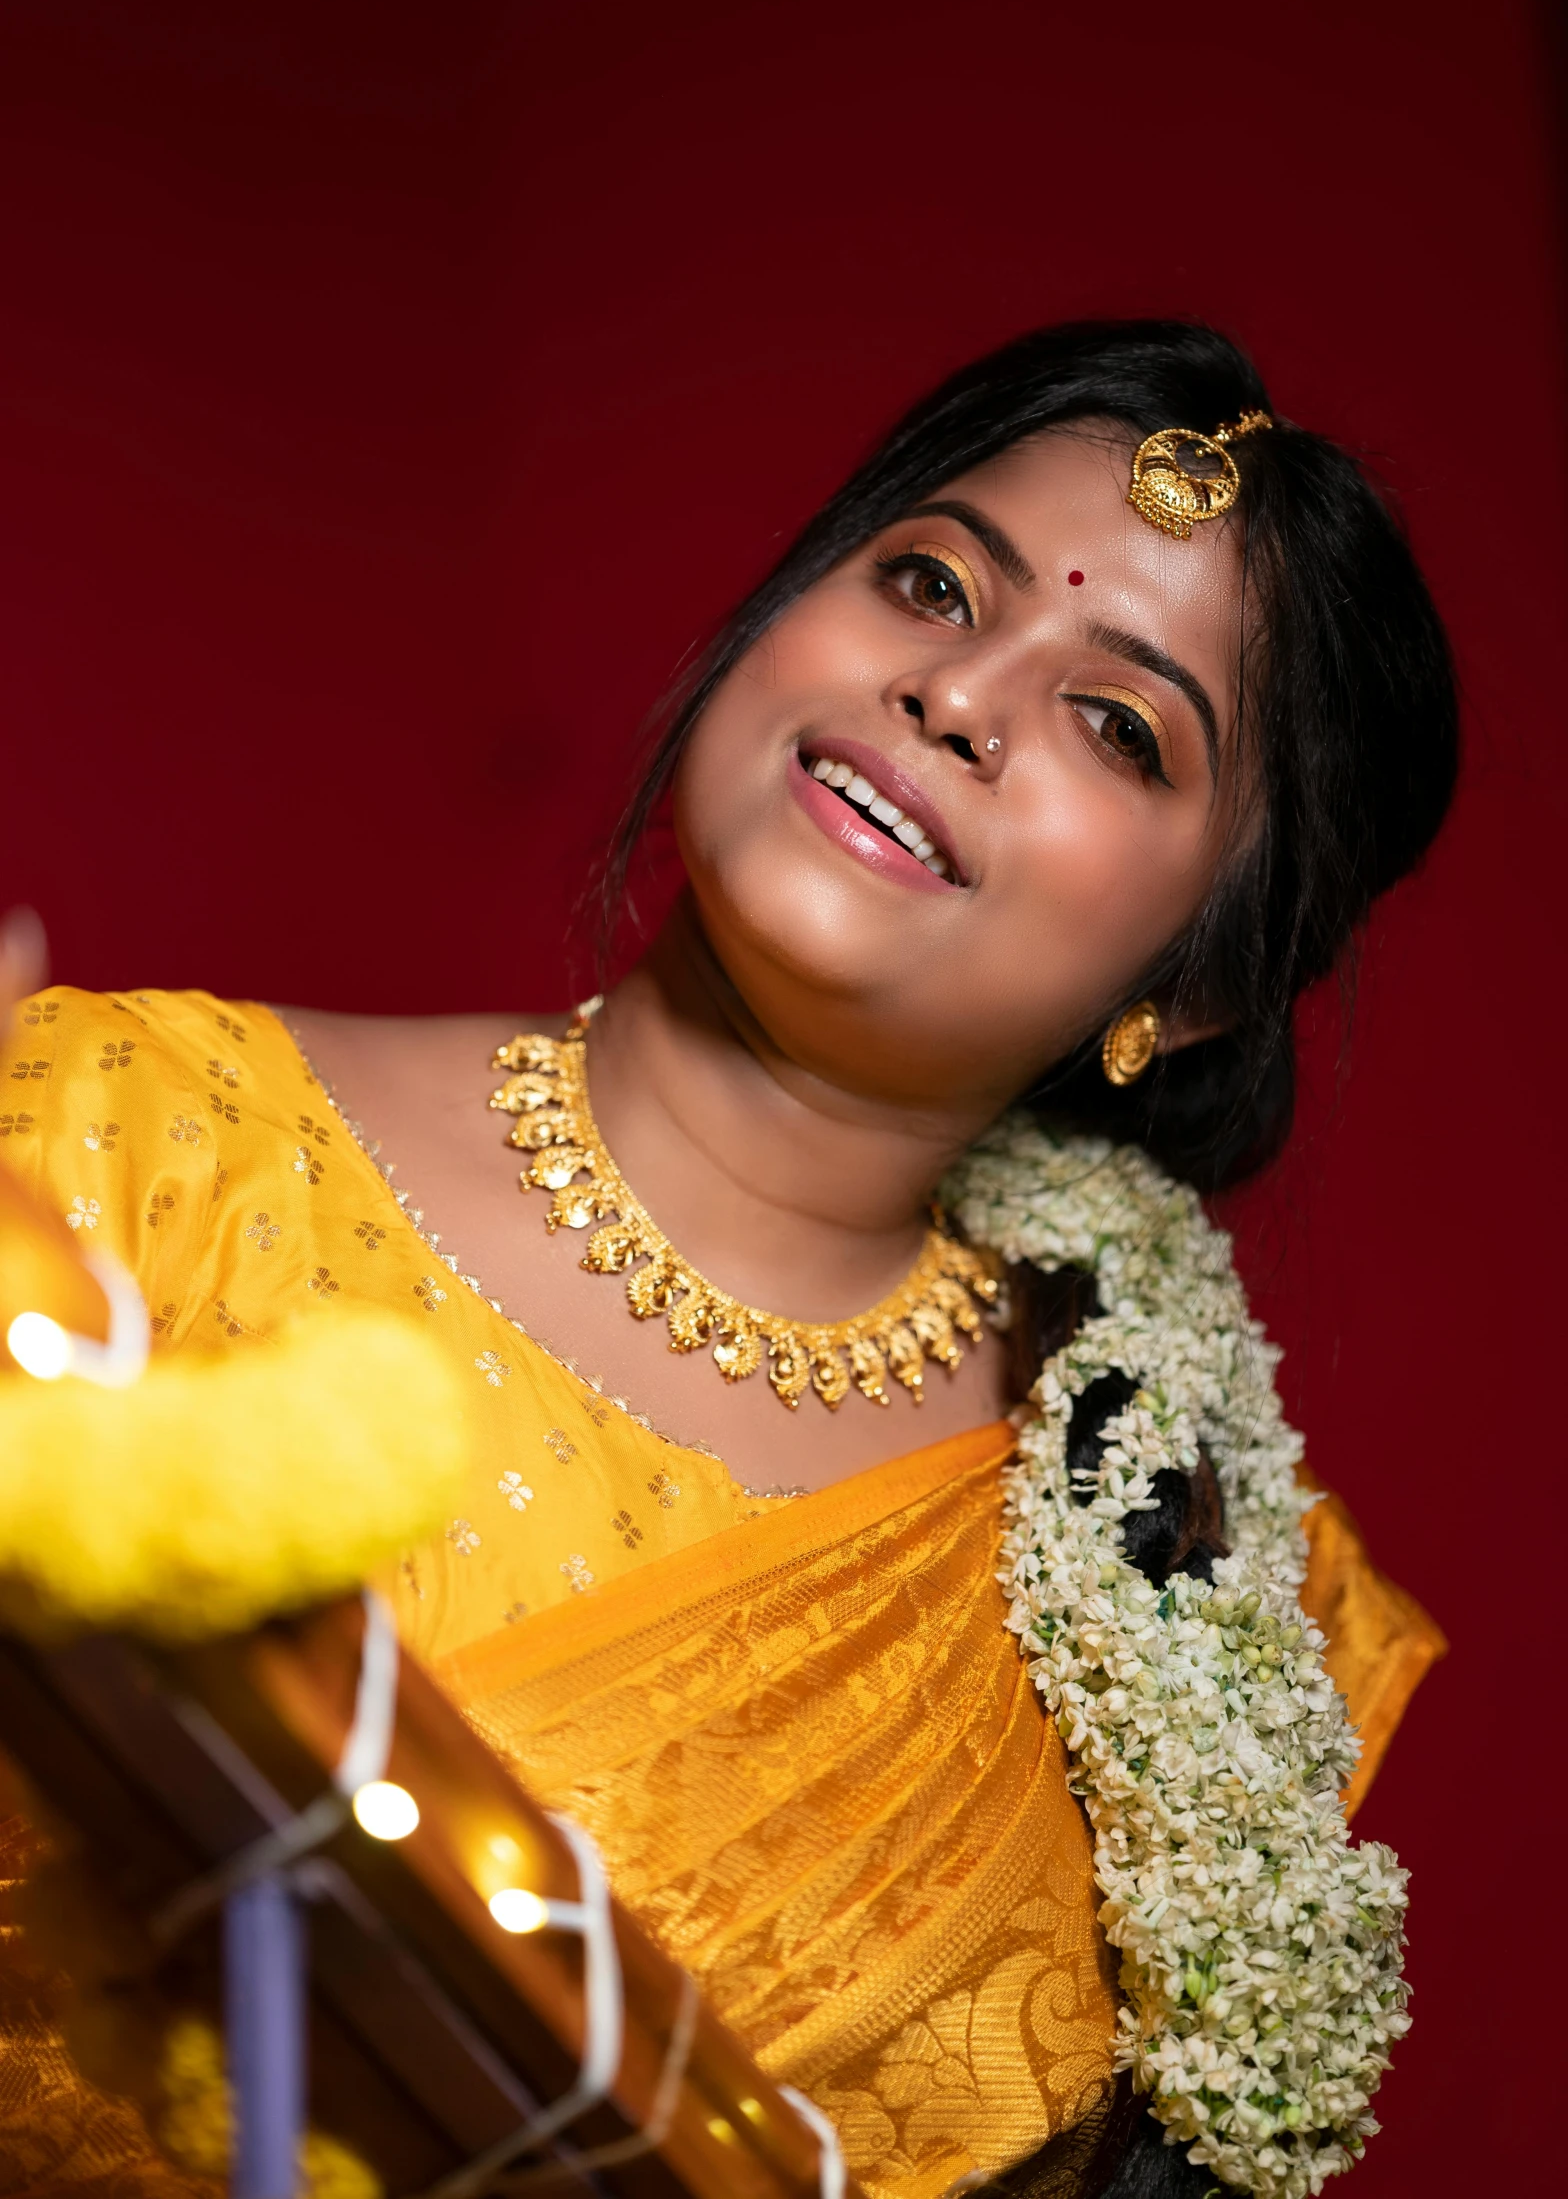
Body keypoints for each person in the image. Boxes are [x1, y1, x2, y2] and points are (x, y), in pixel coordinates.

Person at [1, 320, 1456, 2197]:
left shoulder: (1188, 1607)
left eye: (1121, 724)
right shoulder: (121, 1140)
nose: (954, 694)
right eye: (931, 582)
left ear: (1197, 990)